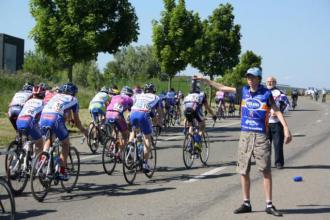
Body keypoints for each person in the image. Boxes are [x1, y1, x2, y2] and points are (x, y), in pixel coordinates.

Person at [232, 67, 292, 217]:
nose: (250, 80)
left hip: (261, 136)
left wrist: (285, 128)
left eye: (252, 77)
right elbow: (223, 88)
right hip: (245, 135)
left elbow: (277, 110)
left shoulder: (266, 93)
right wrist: (207, 81)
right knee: (243, 170)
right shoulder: (243, 90)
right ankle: (246, 203)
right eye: (248, 77)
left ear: (259, 79)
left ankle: (269, 204)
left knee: (265, 170)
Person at [39, 82, 87, 180]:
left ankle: (43, 158)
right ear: (73, 93)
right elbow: (76, 121)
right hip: (55, 119)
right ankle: (61, 171)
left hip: (43, 117)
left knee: (49, 138)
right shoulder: (73, 99)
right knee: (65, 143)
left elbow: (65, 114)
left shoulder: (55, 96)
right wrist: (83, 130)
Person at [128, 83, 163, 173]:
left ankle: (131, 145)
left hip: (132, 113)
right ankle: (144, 164)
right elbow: (159, 113)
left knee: (134, 131)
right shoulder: (156, 97)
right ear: (153, 90)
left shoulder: (139, 95)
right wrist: (159, 123)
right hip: (143, 114)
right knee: (147, 138)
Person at [183, 77, 218, 144]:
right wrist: (213, 115)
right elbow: (207, 108)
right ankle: (197, 143)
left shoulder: (188, 95)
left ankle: (190, 142)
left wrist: (185, 120)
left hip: (187, 111)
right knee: (202, 126)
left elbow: (185, 106)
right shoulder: (202, 95)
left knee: (191, 126)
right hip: (195, 111)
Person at [266, 76, 290, 169]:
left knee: (278, 144)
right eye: (268, 81)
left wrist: (280, 112)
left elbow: (287, 105)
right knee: (265, 144)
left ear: (275, 83)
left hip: (277, 123)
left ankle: (279, 163)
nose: (269, 83)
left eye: (272, 81)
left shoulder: (280, 93)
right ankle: (266, 162)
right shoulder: (263, 93)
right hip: (265, 123)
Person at [16, 85, 46, 155]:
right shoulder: (43, 103)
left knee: (29, 137)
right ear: (42, 94)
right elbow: (41, 118)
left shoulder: (28, 101)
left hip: (19, 120)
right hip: (29, 122)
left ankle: (22, 155)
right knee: (39, 141)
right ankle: (36, 163)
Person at [106, 86, 134, 155]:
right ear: (130, 94)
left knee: (115, 132)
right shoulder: (130, 99)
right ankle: (119, 153)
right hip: (117, 115)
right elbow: (130, 113)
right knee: (126, 135)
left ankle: (112, 146)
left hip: (108, 114)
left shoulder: (115, 96)